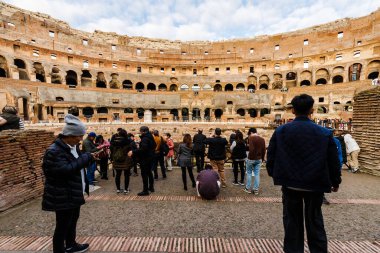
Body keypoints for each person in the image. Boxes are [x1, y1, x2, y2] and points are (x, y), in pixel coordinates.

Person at [266, 94, 341, 253]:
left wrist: (276, 175)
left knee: (292, 222)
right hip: (315, 183)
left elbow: (271, 156)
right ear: (312, 110)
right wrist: (335, 181)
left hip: (290, 183)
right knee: (315, 222)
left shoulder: (281, 131)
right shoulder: (324, 133)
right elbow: (333, 161)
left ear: (292, 110)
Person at [42, 114, 96, 253]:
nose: (80, 139)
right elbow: (64, 170)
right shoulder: (54, 151)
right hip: (62, 194)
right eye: (78, 136)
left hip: (73, 191)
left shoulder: (72, 147)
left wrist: (89, 158)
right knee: (62, 226)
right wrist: (86, 158)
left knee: (72, 222)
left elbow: (76, 164)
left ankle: (71, 245)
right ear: (69, 135)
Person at [128, 126, 156, 196]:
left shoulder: (145, 139)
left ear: (143, 131)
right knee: (149, 173)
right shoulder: (150, 137)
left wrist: (133, 152)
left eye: (140, 131)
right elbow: (154, 145)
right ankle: (151, 187)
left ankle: (145, 190)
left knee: (144, 174)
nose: (140, 132)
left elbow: (143, 149)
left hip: (145, 158)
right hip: (150, 157)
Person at [244, 127, 266, 195]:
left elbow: (251, 149)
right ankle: (256, 189)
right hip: (259, 159)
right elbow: (264, 150)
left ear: (251, 133)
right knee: (257, 174)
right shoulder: (262, 139)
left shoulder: (251, 138)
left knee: (249, 173)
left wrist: (249, 157)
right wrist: (262, 158)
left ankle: (248, 188)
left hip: (251, 158)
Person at [110, 129, 133, 194]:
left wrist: (112, 158)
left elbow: (111, 150)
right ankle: (126, 189)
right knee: (126, 175)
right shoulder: (127, 141)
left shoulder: (113, 141)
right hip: (125, 160)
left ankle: (118, 189)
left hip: (116, 160)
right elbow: (130, 150)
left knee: (118, 175)